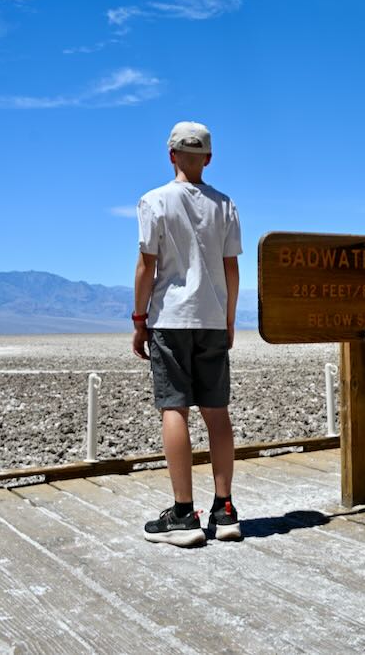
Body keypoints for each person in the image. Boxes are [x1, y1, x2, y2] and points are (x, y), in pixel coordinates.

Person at [131, 121, 242, 547]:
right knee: (216, 411)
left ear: (171, 154)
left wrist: (139, 319)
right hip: (212, 318)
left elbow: (147, 265)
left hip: (171, 318)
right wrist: (228, 319)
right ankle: (224, 510)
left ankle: (183, 514)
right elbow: (231, 269)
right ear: (208, 158)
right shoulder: (225, 205)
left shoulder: (154, 201)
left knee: (174, 408)